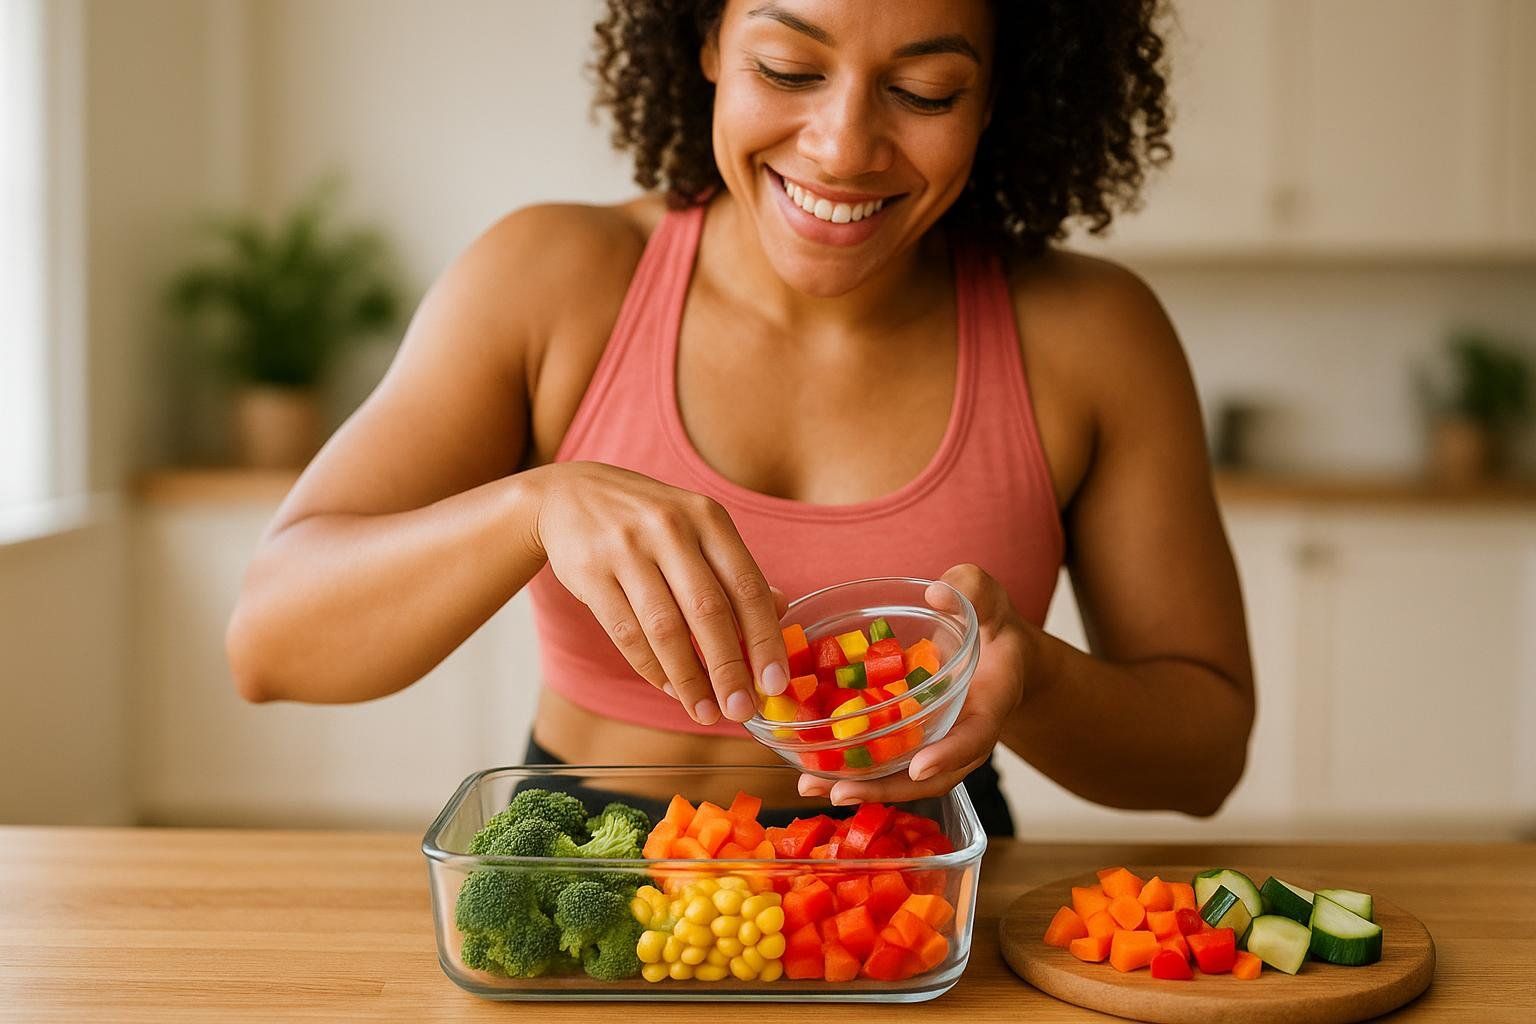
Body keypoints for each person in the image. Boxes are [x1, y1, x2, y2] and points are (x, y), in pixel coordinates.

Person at [226, 0, 1254, 836]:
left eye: (922, 90)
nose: (844, 146)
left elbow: (1205, 754)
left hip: (918, 895)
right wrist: (532, 508)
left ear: (998, 96)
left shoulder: (1095, 337)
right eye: (789, 69)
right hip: (594, 870)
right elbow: (271, 640)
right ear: (709, 41)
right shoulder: (550, 281)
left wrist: (1034, 678)